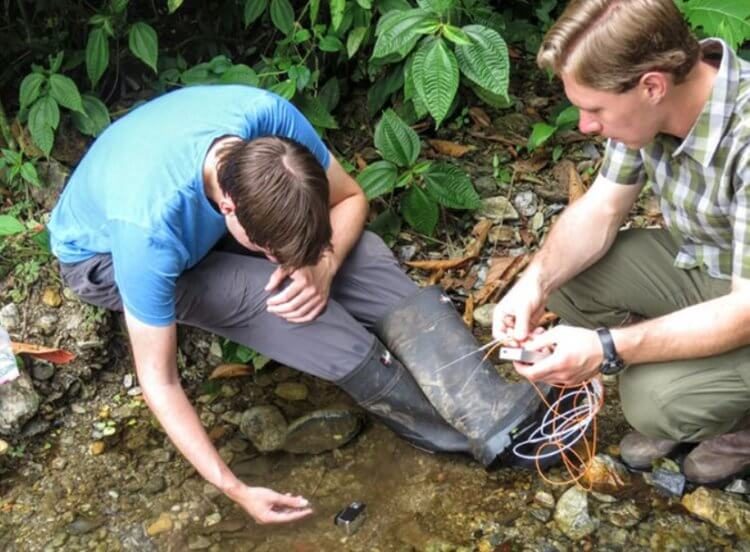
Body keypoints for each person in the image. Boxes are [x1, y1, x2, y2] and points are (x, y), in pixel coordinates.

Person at [48, 85, 546, 525]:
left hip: (195, 207)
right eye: (271, 249)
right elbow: (160, 381)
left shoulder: (271, 123)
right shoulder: (148, 237)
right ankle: (448, 436)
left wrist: (323, 266)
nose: (288, 260)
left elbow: (349, 200)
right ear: (229, 213)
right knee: (284, 304)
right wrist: (235, 489)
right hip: (102, 258)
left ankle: (490, 414)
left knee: (363, 256)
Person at [493, 0, 750, 484]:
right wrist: (533, 283)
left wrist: (609, 348)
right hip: (714, 268)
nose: (586, 125)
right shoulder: (646, 108)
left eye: (594, 110)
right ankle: (702, 381)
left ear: (652, 85)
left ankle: (736, 422)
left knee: (651, 400)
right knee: (568, 282)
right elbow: (600, 209)